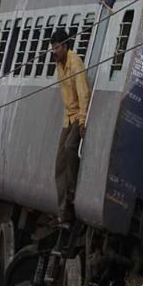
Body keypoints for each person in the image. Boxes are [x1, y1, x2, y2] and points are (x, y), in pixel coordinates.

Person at [50, 29, 91, 226]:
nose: (53, 51)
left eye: (57, 47)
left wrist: (83, 121)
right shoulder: (59, 64)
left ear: (66, 46)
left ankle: (73, 192)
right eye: (52, 48)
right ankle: (63, 211)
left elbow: (83, 94)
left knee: (69, 147)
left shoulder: (75, 63)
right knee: (58, 164)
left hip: (77, 116)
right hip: (67, 117)